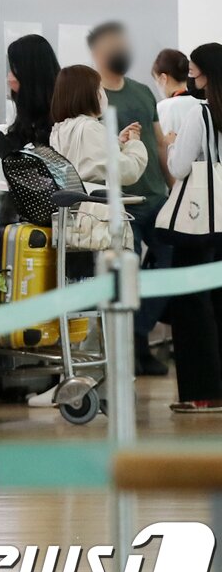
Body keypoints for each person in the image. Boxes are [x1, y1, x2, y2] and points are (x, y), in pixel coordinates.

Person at [89, 21, 172, 376]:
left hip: (157, 197)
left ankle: (140, 334)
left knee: (172, 263)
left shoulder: (142, 92)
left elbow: (160, 144)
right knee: (128, 274)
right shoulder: (93, 96)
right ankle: (132, 348)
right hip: (120, 203)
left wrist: (174, 188)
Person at [161, 43, 222, 412]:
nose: (193, 78)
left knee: (192, 306)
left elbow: (180, 167)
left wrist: (169, 146)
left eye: (196, 72)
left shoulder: (200, 114)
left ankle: (203, 392)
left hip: (200, 223)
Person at [49, 65, 148, 186]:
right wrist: (134, 144)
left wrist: (117, 143)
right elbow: (127, 171)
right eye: (99, 88)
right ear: (89, 94)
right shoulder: (90, 128)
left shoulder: (59, 130)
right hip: (96, 202)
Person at [0, 34, 60, 157]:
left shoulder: (60, 113)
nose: (9, 77)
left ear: (30, 71)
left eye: (14, 69)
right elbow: (9, 153)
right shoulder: (29, 110)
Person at [154, 48, 201, 136]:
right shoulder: (202, 103)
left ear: (163, 78)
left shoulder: (163, 108)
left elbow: (161, 145)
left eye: (156, 80)